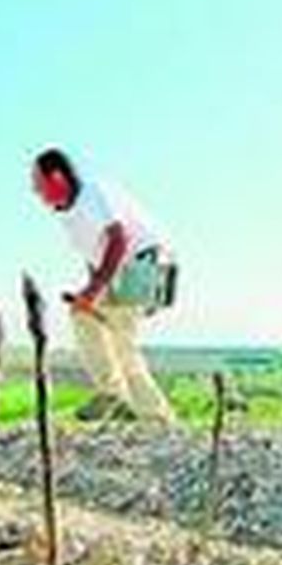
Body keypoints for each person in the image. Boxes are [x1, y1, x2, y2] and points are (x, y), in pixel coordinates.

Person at [31, 148, 178, 423]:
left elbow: (118, 239)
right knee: (98, 325)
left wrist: (94, 290)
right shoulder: (68, 216)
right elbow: (95, 257)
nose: (35, 191)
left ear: (57, 177)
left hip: (144, 265)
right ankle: (138, 408)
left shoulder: (93, 193)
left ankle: (132, 404)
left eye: (38, 183)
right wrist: (88, 292)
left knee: (108, 332)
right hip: (124, 272)